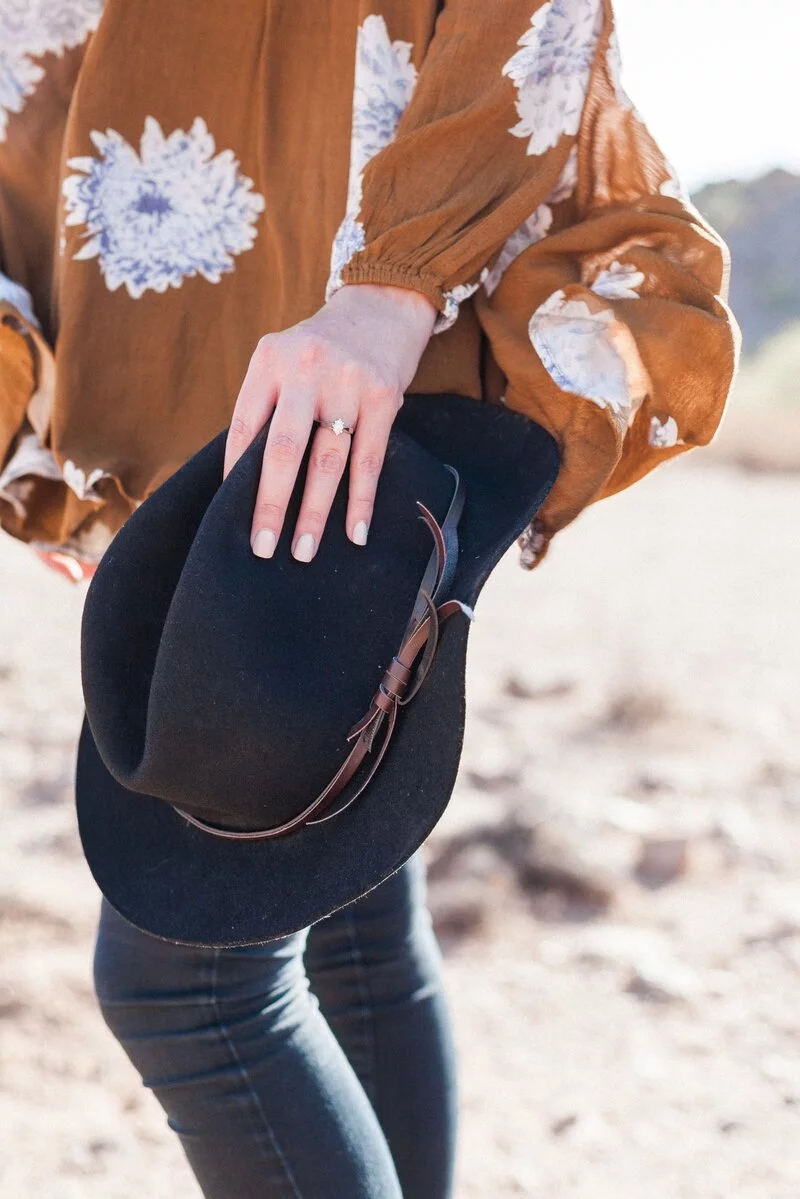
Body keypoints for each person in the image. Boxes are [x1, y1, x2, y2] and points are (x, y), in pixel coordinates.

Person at [0, 1, 739, 1196]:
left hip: (352, 302)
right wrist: (33, 405)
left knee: (188, 986)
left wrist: (392, 290)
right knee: (344, 908)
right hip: (201, 317)